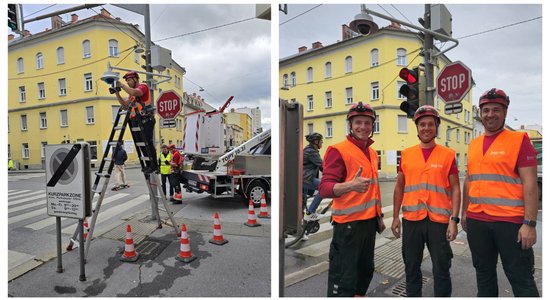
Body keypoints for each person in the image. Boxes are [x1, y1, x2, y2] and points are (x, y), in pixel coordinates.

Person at [462, 88, 539, 297]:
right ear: (481, 112)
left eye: (496, 109)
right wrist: (464, 213)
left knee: (520, 278)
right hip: (477, 221)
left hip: (510, 224)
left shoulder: (519, 140)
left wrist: (529, 224)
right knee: (483, 274)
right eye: (486, 110)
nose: (490, 114)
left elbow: (530, 184)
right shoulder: (474, 144)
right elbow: (469, 181)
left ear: (505, 112)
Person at [391, 105, 461, 297]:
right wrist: (396, 217)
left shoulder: (448, 154)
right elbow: (399, 187)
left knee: (441, 269)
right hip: (412, 220)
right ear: (417, 127)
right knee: (411, 268)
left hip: (439, 222)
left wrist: (454, 221)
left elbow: (455, 187)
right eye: (422, 124)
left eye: (431, 124)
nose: (426, 128)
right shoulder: (406, 154)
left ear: (437, 127)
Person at [319, 102, 385, 297]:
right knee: (344, 278)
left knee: (365, 271)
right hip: (347, 227)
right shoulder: (338, 150)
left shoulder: (372, 152)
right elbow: (324, 188)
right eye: (358, 122)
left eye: (367, 122)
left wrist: (378, 216)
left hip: (369, 224)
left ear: (372, 125)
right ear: (350, 125)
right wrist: (350, 186)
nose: (363, 127)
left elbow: (373, 189)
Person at [115, 71, 157, 174]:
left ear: (135, 79)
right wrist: (117, 93)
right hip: (136, 120)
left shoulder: (143, 87)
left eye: (129, 80)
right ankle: (148, 165)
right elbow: (125, 105)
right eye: (126, 81)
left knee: (147, 142)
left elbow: (134, 92)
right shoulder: (131, 95)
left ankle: (154, 165)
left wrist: (121, 84)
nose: (128, 82)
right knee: (140, 144)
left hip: (146, 119)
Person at [303, 132, 324, 221]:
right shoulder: (311, 152)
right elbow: (322, 165)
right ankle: (310, 212)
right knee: (323, 187)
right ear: (316, 141)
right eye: (321, 141)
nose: (322, 142)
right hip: (305, 178)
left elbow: (321, 167)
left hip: (302, 178)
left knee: (302, 202)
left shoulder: (309, 150)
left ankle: (301, 226)